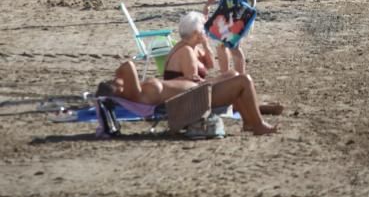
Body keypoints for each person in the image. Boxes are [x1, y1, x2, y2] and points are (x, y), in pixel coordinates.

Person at [96, 59, 278, 135]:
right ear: (117, 91)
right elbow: (128, 65)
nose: (119, 79)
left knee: (233, 73)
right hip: (196, 100)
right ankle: (259, 125)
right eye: (117, 82)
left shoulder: (138, 92)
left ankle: (248, 121)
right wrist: (119, 74)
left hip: (198, 89)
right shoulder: (135, 95)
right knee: (244, 80)